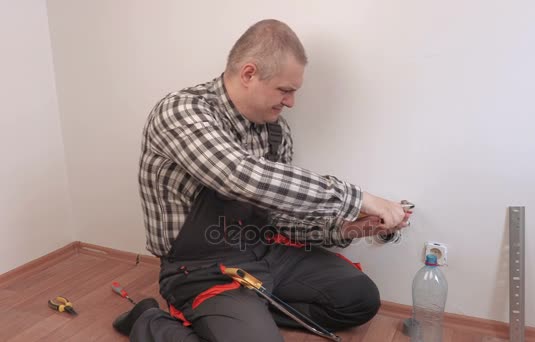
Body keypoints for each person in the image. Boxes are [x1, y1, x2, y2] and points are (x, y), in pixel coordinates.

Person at [113, 19, 412, 342]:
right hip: (201, 269)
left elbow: (282, 217)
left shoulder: (276, 132)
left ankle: (248, 314)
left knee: (360, 299)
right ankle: (149, 320)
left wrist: (347, 228)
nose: (291, 102)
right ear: (249, 74)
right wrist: (358, 198)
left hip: (265, 251)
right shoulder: (181, 111)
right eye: (285, 90)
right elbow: (239, 175)